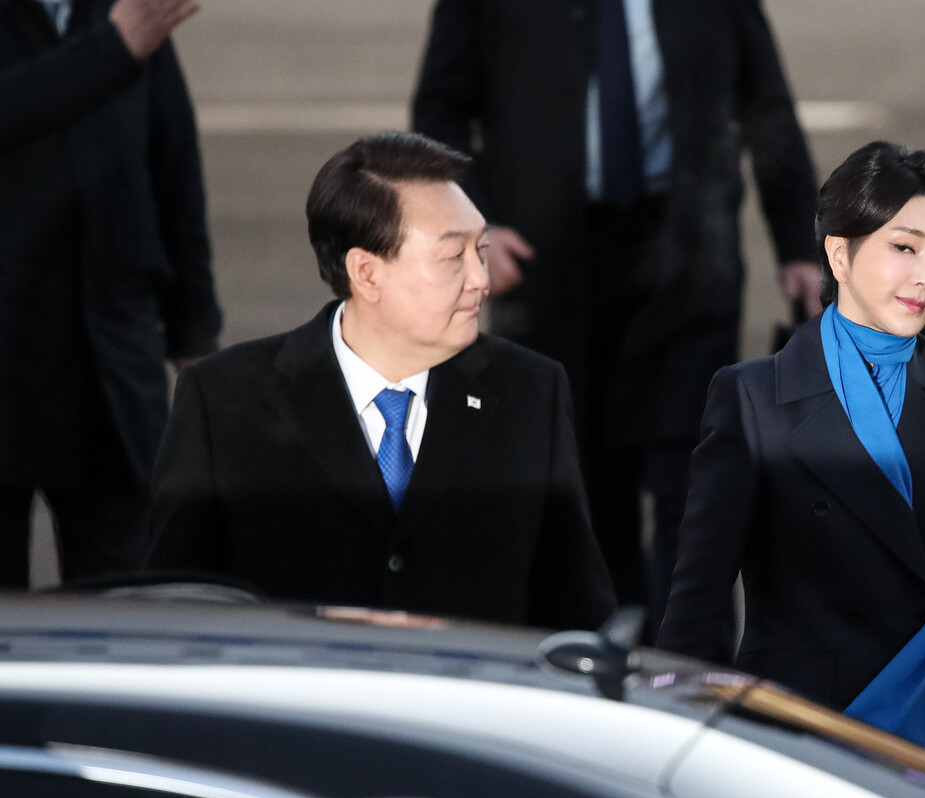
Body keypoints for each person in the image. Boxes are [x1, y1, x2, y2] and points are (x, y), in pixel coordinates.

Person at [411, 0, 823, 636]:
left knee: (697, 479)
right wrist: (475, 223)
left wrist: (800, 245)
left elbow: (765, 98)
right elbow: (440, 108)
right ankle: (606, 662)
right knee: (581, 485)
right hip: (549, 267)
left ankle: (689, 668)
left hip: (690, 257)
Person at [657, 142, 925, 797]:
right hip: (803, 733)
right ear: (839, 253)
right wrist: (670, 740)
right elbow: (698, 596)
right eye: (905, 248)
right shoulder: (752, 395)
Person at [146, 132, 616, 631]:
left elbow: (576, 611)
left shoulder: (531, 392)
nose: (480, 279)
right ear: (366, 273)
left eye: (480, 249)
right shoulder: (224, 401)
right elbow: (173, 609)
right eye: (452, 257)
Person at [0, 0, 221, 586]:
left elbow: (174, 168)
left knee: (130, 596)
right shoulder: (124, 31)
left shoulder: (120, 14)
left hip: (111, 371)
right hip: (9, 363)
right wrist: (114, 49)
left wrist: (195, 335)